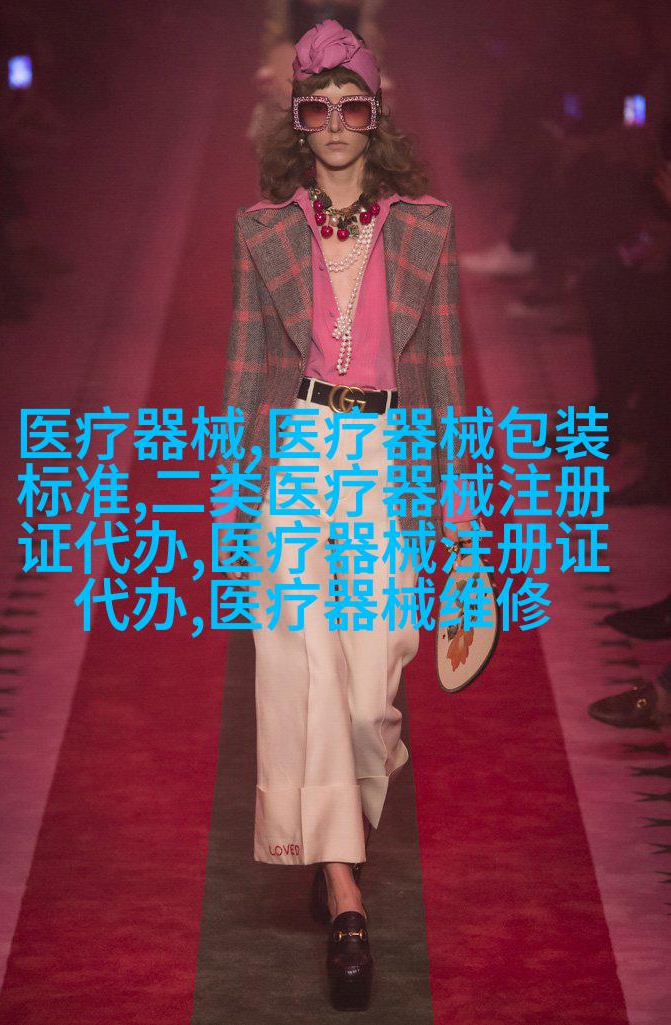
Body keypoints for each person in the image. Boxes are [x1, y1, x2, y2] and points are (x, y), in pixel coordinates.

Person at [218, 19, 472, 1010]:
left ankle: (337, 834)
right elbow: (245, 372)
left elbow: (443, 376)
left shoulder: (425, 228)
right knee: (307, 669)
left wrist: (459, 517)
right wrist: (234, 502)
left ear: (375, 117)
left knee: (369, 695)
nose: (333, 122)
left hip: (385, 458)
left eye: (350, 105)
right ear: (296, 119)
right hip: (295, 455)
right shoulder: (262, 231)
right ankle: (344, 894)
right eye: (316, 106)